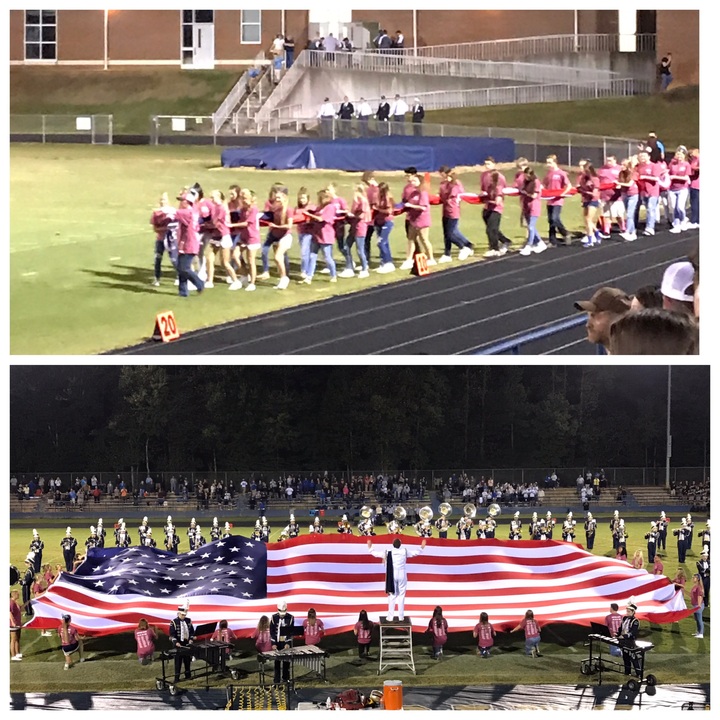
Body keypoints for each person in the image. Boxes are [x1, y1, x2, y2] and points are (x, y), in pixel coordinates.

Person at [367, 537, 426, 621]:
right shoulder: (404, 551)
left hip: (392, 574)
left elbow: (376, 554)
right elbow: (415, 553)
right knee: (401, 595)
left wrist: (370, 547)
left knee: (392, 595)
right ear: (400, 545)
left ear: (393, 544)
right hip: (402, 574)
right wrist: (422, 547)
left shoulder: (388, 552)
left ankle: (390, 617)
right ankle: (401, 617)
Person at [438, 166, 474, 262]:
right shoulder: (442, 184)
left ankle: (464, 247)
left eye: (442, 174)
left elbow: (457, 195)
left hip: (453, 211)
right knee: (446, 234)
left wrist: (449, 199)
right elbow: (441, 196)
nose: (441, 176)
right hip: (445, 211)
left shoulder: (455, 184)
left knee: (451, 233)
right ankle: (447, 254)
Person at [175, 189, 205, 296]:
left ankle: (199, 283)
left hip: (189, 243)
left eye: (182, 200)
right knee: (181, 268)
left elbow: (173, 213)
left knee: (184, 268)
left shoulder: (187, 212)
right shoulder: (193, 211)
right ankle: (183, 292)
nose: (180, 202)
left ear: (187, 202)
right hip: (186, 243)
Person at [542, 155, 572, 245]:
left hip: (558, 200)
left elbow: (569, 185)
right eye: (547, 163)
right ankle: (552, 240)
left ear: (555, 162)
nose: (548, 165)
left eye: (550, 162)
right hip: (550, 200)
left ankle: (565, 232)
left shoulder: (561, 173)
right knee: (550, 220)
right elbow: (544, 185)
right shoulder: (548, 174)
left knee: (555, 218)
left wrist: (563, 193)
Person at [518, 166, 546, 255]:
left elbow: (534, 195)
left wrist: (525, 193)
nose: (525, 177)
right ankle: (540, 243)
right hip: (527, 206)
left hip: (534, 206)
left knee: (531, 226)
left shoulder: (536, 182)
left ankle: (529, 246)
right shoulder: (526, 182)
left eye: (526, 175)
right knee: (531, 227)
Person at [576, 159, 601, 247]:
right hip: (586, 200)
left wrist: (584, 191)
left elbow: (594, 193)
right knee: (587, 220)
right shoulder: (582, 178)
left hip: (593, 200)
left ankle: (590, 239)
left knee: (588, 219)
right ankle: (597, 232)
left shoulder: (594, 179)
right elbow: (578, 186)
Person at [635, 150, 660, 236]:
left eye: (644, 156)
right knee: (646, 208)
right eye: (641, 156)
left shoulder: (654, 166)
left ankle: (650, 228)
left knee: (650, 208)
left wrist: (644, 177)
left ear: (649, 157)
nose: (642, 158)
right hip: (642, 191)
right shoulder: (638, 167)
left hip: (653, 191)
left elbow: (656, 178)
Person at [169, 602, 195, 684]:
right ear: (179, 613)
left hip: (186, 643)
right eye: (182, 615)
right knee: (178, 662)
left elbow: (192, 632)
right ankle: (177, 677)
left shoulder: (188, 620)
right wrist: (176, 642)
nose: (184, 616)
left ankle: (188, 675)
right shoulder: (173, 622)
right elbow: (172, 634)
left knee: (187, 660)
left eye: (185, 615)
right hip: (178, 644)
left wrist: (191, 639)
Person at [270, 600, 295, 683]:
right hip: (277, 643)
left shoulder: (290, 618)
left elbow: (290, 632)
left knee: (286, 663)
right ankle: (276, 681)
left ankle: (286, 679)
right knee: (277, 663)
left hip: (285, 643)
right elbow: (272, 632)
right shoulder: (274, 618)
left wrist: (287, 643)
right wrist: (273, 644)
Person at [618, 602, 641, 677]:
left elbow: (633, 633)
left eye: (629, 611)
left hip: (630, 642)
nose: (627, 613)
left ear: (633, 612)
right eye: (626, 611)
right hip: (623, 641)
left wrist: (624, 636)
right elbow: (621, 628)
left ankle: (639, 674)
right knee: (625, 658)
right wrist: (618, 634)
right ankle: (627, 672)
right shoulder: (624, 618)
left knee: (633, 658)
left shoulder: (635, 621)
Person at [689, 573, 705, 639]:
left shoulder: (699, 587)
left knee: (699, 619)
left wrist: (699, 605)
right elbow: (691, 595)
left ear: (698, 579)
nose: (693, 578)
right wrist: (683, 590)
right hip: (695, 605)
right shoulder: (694, 586)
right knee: (697, 620)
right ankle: (698, 632)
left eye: (694, 577)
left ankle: (701, 633)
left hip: (698, 605)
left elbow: (700, 596)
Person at [10, 590, 23, 661]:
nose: (19, 595)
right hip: (13, 624)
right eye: (17, 594)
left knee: (18, 638)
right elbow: (9, 613)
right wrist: (13, 622)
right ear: (14, 595)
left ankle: (17, 653)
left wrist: (28, 603)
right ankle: (13, 655)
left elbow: (20, 609)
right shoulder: (11, 603)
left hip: (18, 623)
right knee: (13, 639)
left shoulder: (16, 602)